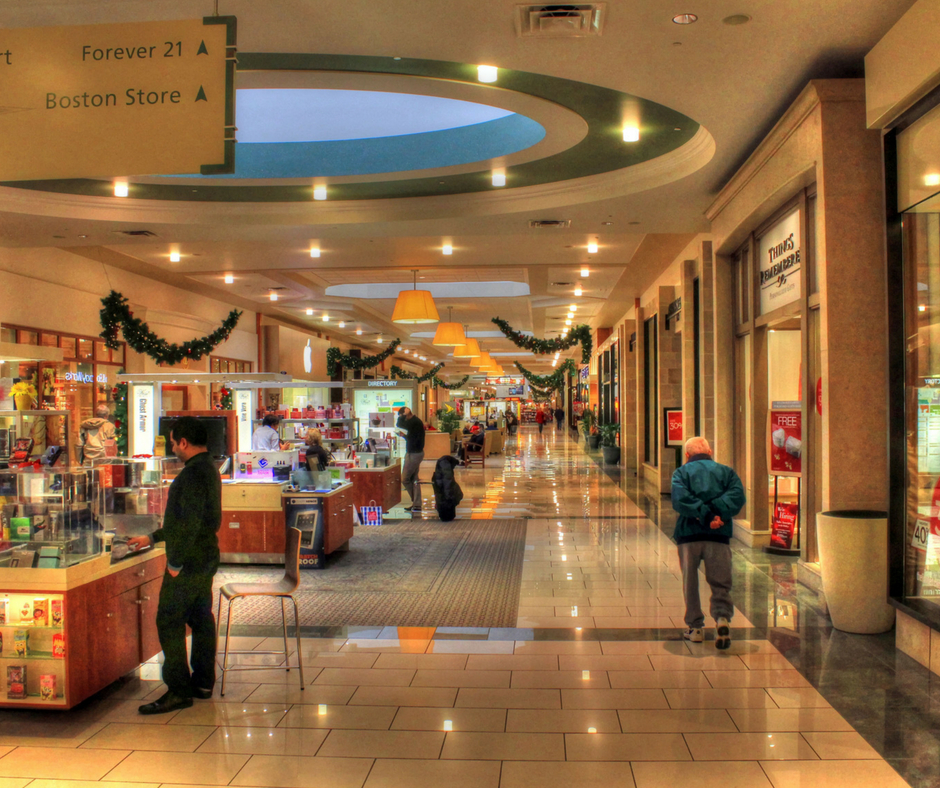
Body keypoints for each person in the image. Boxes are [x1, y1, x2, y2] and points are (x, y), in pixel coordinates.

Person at [127, 416, 222, 713]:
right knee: (200, 618)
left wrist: (176, 562)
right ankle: (203, 682)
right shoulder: (209, 467)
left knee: (168, 620)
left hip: (189, 561)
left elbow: (188, 523)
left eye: (173, 443)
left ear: (183, 442)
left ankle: (179, 689)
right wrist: (153, 537)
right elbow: (187, 520)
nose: (173, 449)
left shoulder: (191, 474)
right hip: (205, 556)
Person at [670, 436, 745, 650]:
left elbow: (680, 499)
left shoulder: (681, 473)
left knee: (690, 581)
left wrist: (704, 514)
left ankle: (695, 628)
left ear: (687, 455)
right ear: (710, 451)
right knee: (721, 580)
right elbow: (737, 496)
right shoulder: (726, 472)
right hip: (718, 535)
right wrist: (716, 514)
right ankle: (722, 620)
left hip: (689, 535)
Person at [397, 406, 425, 513]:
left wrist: (402, 416)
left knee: (405, 478)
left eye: (404, 416)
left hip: (414, 454)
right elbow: (412, 438)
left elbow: (400, 424)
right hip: (413, 452)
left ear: (407, 414)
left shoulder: (415, 422)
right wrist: (404, 436)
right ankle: (417, 504)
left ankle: (416, 501)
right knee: (414, 478)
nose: (404, 419)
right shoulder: (414, 423)